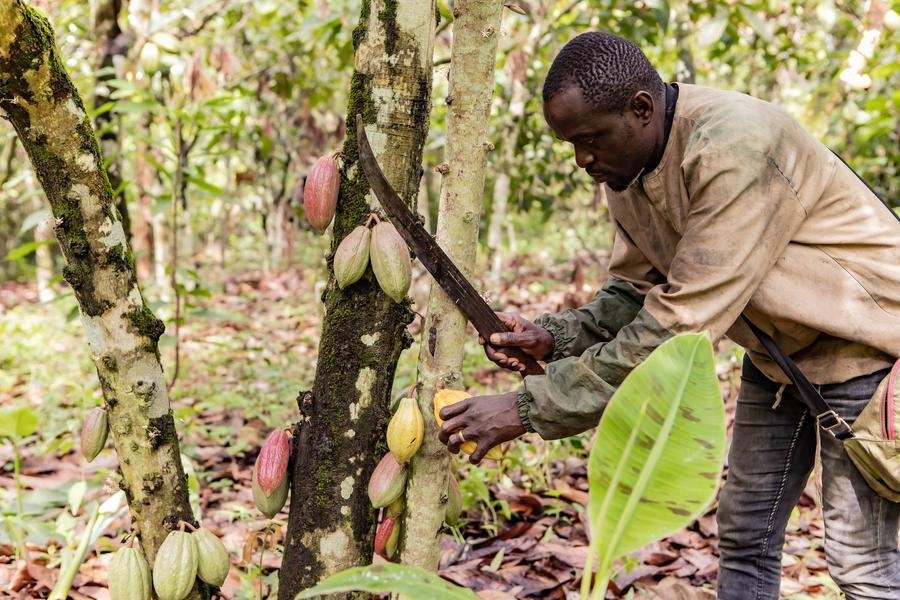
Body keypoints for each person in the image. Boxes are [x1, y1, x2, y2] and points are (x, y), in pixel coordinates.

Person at [436, 31, 900, 599]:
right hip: (778, 361)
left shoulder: (736, 146)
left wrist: (528, 407)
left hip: (867, 353)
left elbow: (679, 324)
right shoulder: (626, 168)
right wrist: (555, 338)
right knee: (746, 538)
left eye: (588, 139)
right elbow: (638, 290)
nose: (582, 160)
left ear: (641, 108)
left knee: (863, 567)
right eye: (571, 145)